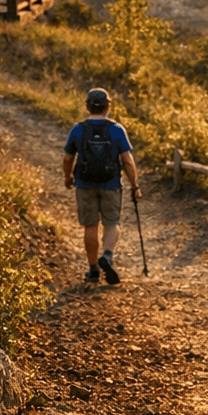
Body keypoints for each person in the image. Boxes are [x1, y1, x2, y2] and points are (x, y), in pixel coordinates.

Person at [62, 88, 142, 284]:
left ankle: (93, 270)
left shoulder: (78, 129)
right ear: (108, 106)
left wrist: (68, 177)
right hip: (111, 183)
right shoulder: (116, 129)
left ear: (87, 107)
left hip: (84, 184)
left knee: (90, 225)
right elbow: (128, 160)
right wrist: (135, 185)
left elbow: (67, 157)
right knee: (112, 222)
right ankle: (106, 256)